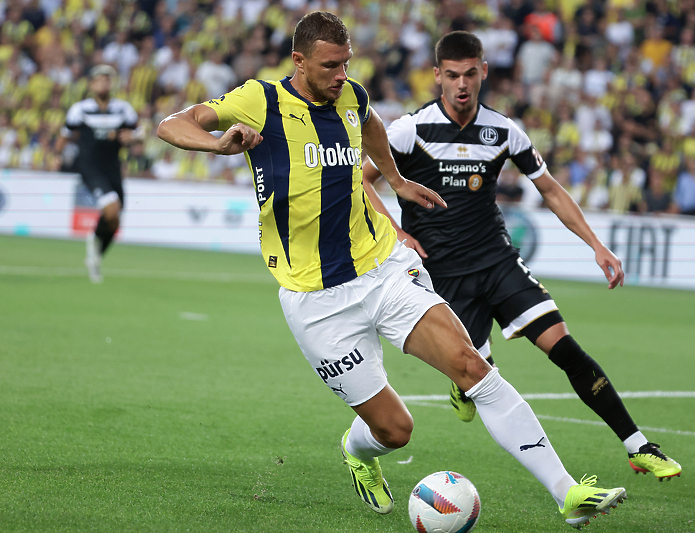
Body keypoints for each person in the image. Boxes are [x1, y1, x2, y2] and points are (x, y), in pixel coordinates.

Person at [156, 12, 627, 529]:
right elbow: (172, 124)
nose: (341, 75)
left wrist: (397, 181)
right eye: (329, 66)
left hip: (382, 268)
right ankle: (358, 452)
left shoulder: (351, 96)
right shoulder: (260, 100)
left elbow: (372, 124)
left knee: (472, 367)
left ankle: (566, 492)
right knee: (394, 430)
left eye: (345, 64)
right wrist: (216, 144)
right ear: (299, 62)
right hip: (315, 300)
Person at [362, 31, 681, 482]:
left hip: (498, 263)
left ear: (484, 72)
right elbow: (362, 181)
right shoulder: (409, 129)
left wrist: (596, 245)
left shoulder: (503, 130)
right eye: (452, 75)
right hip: (444, 279)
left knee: (566, 350)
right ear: (437, 76)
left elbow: (548, 188)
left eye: (470, 73)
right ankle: (469, 377)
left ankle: (639, 446)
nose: (461, 84)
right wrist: (395, 232)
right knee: (478, 374)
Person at [56, 64, 139, 283]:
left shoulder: (123, 109)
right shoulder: (80, 109)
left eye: (107, 79)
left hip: (113, 168)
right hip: (90, 167)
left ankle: (95, 256)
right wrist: (57, 157)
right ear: (92, 84)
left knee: (115, 220)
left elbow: (136, 136)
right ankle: (92, 241)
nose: (103, 83)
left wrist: (132, 139)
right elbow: (64, 137)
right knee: (111, 209)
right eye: (99, 79)